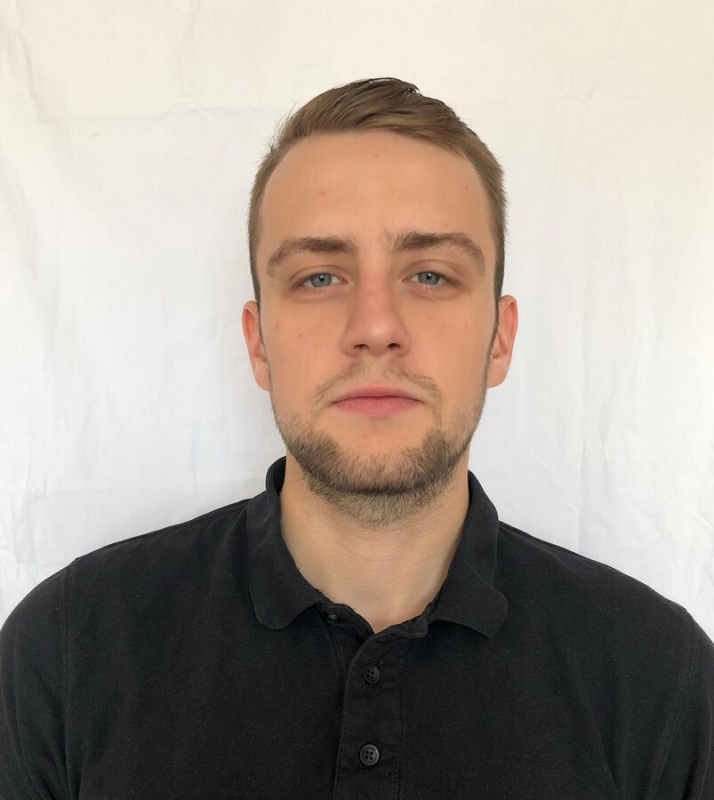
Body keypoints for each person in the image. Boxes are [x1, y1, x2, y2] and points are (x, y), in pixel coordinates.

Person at [1, 78, 712, 799]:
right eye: (319, 278)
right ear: (258, 343)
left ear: (500, 339)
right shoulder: (66, 653)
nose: (375, 327)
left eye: (430, 274)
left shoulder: (660, 676)